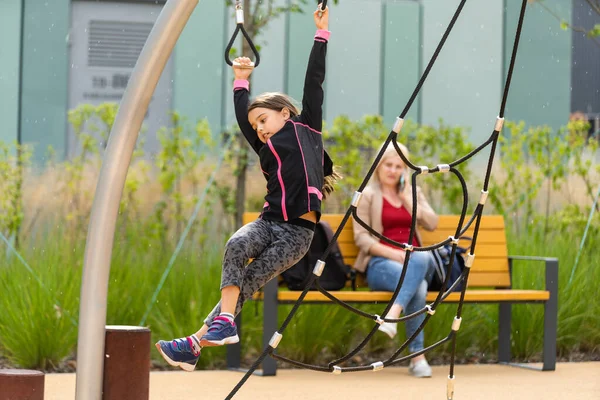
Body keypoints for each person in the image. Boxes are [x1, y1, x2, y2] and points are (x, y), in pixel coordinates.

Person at [155, 4, 336, 372]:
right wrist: (241, 80)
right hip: (269, 222)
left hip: (297, 234)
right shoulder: (266, 146)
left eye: (264, 120)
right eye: (256, 127)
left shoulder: (308, 130)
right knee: (237, 245)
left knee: (250, 280)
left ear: (285, 114)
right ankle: (208, 335)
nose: (260, 129)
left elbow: (313, 82)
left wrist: (321, 35)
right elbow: (242, 118)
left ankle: (197, 340)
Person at [352, 142, 438, 378]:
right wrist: (393, 253)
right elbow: (361, 238)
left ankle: (393, 313)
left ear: (405, 169)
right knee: (418, 285)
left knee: (421, 257)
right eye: (388, 165)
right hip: (381, 264)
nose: (393, 170)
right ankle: (417, 357)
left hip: (416, 263)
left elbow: (432, 223)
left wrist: (407, 199)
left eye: (398, 166)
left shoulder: (412, 193)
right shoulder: (367, 195)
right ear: (379, 166)